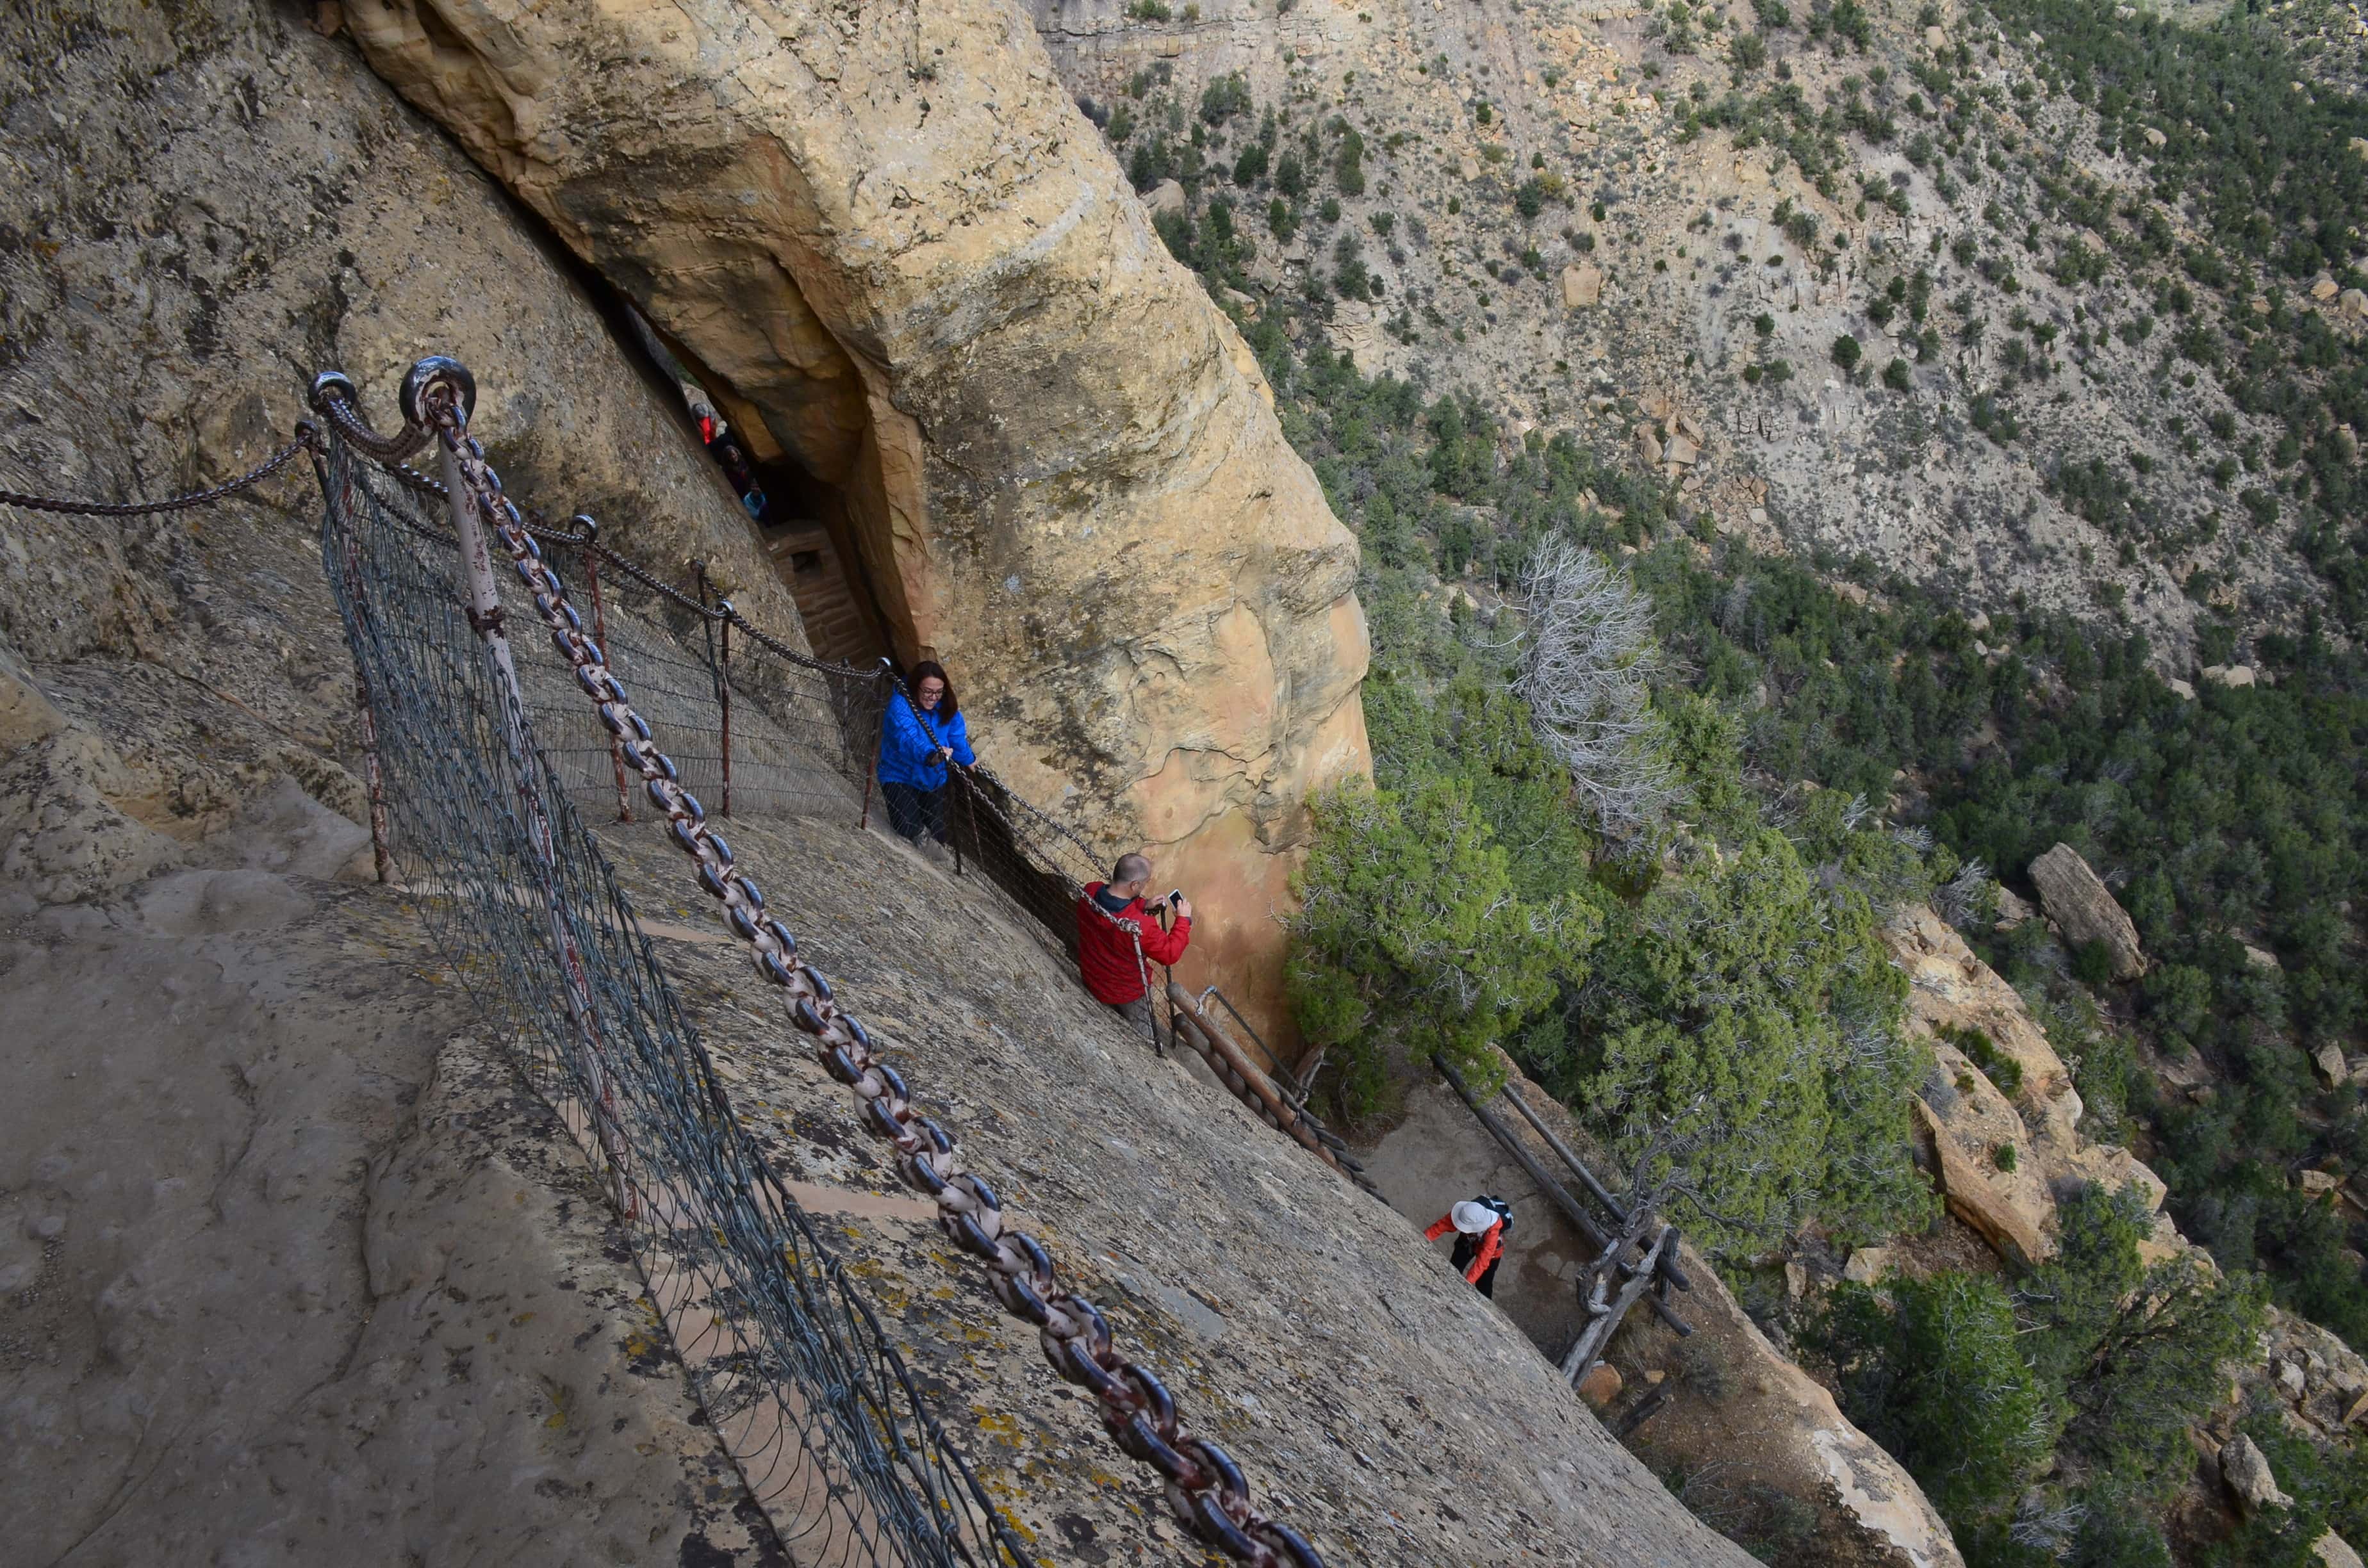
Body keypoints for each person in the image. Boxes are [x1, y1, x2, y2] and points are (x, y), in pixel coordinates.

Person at [1076, 853, 1192, 1039]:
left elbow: (1115, 913)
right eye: (1145, 882)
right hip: (1125, 992)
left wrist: (1143, 905)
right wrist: (1183, 920)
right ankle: (1151, 1045)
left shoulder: (1090, 891)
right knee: (1144, 1027)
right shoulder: (1141, 926)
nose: (1146, 885)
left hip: (1093, 977)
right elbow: (1170, 953)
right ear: (1135, 885)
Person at [876, 660, 974, 850]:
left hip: (934, 777)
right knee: (906, 826)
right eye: (928, 691)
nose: (933, 697)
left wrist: (968, 759)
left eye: (939, 692)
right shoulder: (901, 705)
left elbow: (956, 735)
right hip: (900, 774)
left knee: (937, 831)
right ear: (915, 686)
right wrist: (932, 755)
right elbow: (907, 738)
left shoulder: (946, 705)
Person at [1425, 1196, 1514, 1298]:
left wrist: (1466, 1284)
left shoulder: (1492, 1232)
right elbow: (1441, 1226)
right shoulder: (1466, 1213)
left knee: (1484, 1284)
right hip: (1468, 1241)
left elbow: (1483, 1261)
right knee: (1454, 1268)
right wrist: (1423, 1239)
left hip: (1490, 1252)